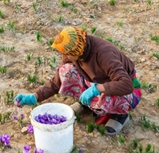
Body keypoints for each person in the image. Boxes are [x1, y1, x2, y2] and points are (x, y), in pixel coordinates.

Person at [13, 26, 142, 135]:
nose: (64, 56)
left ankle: (120, 115)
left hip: (125, 90)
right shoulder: (73, 53)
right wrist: (35, 96)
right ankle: (87, 104)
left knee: (106, 93)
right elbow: (57, 80)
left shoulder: (103, 54)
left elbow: (126, 84)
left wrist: (97, 89)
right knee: (66, 71)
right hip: (94, 81)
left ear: (77, 50)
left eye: (67, 53)